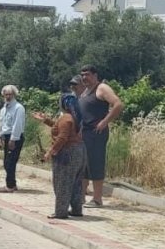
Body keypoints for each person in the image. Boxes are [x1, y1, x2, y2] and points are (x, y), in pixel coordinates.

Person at [78, 65, 124, 207]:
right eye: (83, 75)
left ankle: (97, 199)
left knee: (95, 164)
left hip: (96, 133)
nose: (85, 77)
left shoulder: (102, 88)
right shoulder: (85, 91)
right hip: (84, 133)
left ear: (95, 75)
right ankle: (81, 196)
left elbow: (118, 104)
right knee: (84, 165)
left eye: (88, 74)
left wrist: (105, 122)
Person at [40, 93, 86, 219]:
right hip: (80, 151)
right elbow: (62, 128)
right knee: (76, 183)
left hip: (67, 153)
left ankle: (60, 212)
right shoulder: (75, 117)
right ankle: (77, 209)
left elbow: (62, 137)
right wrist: (46, 120)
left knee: (62, 183)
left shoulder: (66, 118)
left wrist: (51, 151)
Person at [0, 85, 26, 193]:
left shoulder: (18, 108)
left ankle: (10, 185)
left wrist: (13, 139)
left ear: (14, 95)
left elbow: (17, 125)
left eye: (10, 94)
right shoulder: (4, 109)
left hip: (15, 138)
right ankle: (12, 184)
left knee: (10, 162)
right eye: (6, 94)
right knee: (6, 162)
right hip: (6, 136)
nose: (8, 96)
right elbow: (2, 123)